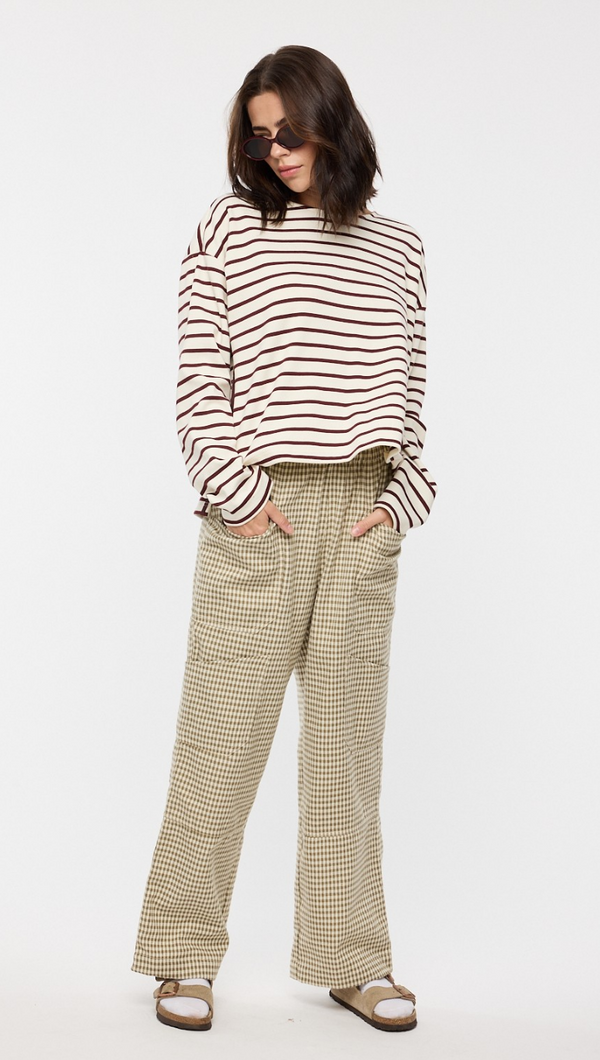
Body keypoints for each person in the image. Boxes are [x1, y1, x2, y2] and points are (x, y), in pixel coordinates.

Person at [130, 44, 437, 1033]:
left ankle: (353, 958)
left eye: (290, 131)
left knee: (348, 753)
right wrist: (240, 495)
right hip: (261, 510)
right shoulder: (229, 228)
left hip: (361, 511)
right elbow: (199, 389)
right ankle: (182, 955)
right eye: (260, 137)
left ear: (332, 122)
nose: (276, 151)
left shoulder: (400, 247)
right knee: (219, 742)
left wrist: (402, 501)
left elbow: (411, 397)